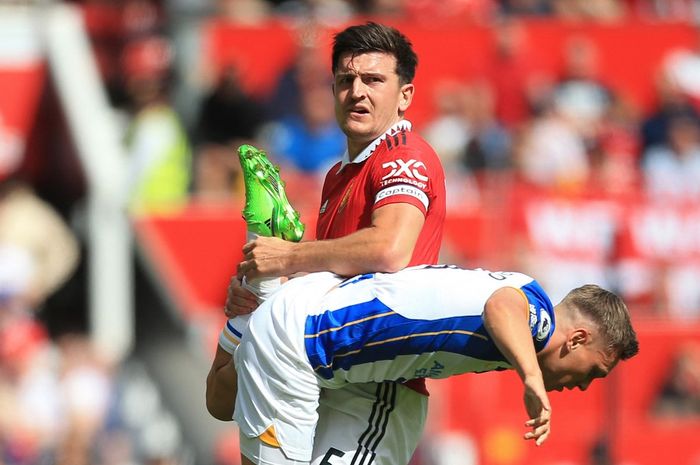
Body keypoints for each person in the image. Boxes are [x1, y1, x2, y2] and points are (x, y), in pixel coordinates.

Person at [210, 22, 446, 465]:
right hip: (330, 375)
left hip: (376, 387)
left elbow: (390, 249)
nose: (358, 92)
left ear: (405, 96)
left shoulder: (404, 153)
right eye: (346, 80)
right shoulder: (339, 175)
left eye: (374, 80)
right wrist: (265, 296)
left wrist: (289, 257)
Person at [209, 265, 639, 465]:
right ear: (578, 338)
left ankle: (252, 309)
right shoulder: (539, 322)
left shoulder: (529, 293)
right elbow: (501, 306)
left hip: (308, 313)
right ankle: (258, 304)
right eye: (594, 372)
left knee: (219, 402)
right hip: (305, 344)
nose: (583, 386)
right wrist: (531, 379)